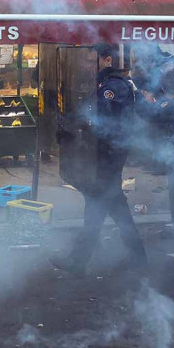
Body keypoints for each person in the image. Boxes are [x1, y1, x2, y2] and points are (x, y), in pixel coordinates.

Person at [50, 43, 147, 276]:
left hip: (109, 156)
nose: (87, 65)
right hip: (108, 155)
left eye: (92, 60)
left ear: (107, 60)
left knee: (96, 207)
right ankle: (137, 259)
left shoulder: (113, 87)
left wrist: (73, 129)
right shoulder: (111, 84)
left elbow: (99, 117)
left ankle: (80, 261)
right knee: (111, 208)